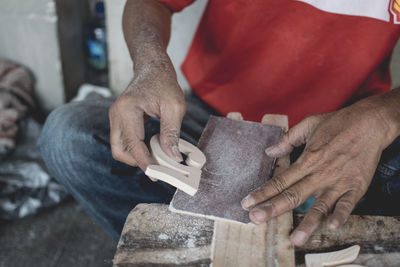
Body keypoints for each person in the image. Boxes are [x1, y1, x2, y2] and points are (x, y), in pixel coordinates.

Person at [39, 0, 400, 245]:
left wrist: (383, 115)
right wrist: (150, 63)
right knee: (69, 136)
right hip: (213, 116)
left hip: (346, 133)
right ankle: (185, 252)